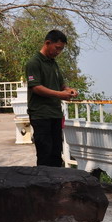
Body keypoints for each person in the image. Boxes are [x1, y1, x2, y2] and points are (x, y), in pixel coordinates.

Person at [26, 29, 79, 167]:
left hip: (55, 113)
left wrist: (69, 90)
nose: (58, 52)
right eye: (57, 48)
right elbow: (36, 87)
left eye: (61, 49)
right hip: (40, 114)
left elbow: (61, 85)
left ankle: (56, 179)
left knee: (56, 153)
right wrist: (60, 95)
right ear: (47, 43)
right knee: (45, 153)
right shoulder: (34, 63)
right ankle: (43, 180)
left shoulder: (53, 63)